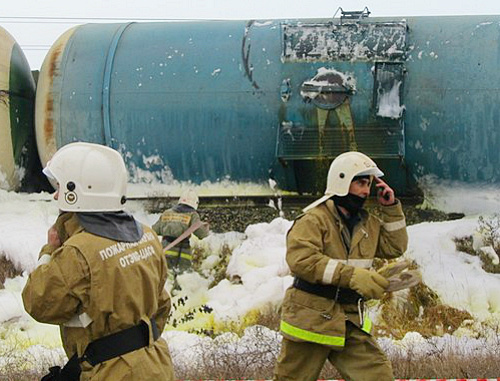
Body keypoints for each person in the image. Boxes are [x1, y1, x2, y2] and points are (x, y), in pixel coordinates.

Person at [22, 142, 175, 381]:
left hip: (110, 373)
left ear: (77, 192)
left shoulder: (79, 251)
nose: (55, 194)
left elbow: (38, 303)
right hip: (156, 364)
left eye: (61, 187)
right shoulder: (147, 236)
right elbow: (162, 305)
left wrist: (49, 250)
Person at [273, 151, 408, 381]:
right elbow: (302, 260)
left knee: (378, 376)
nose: (366, 191)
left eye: (368, 184)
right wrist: (352, 276)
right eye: (361, 183)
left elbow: (395, 247)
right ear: (342, 180)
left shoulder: (368, 224)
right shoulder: (313, 220)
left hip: (348, 320)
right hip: (312, 320)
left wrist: (391, 206)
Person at [152, 189, 209, 276]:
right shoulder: (192, 214)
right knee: (182, 278)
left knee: (165, 276)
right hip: (182, 253)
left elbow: (154, 231)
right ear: (195, 203)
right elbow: (201, 234)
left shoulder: (167, 213)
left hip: (165, 249)